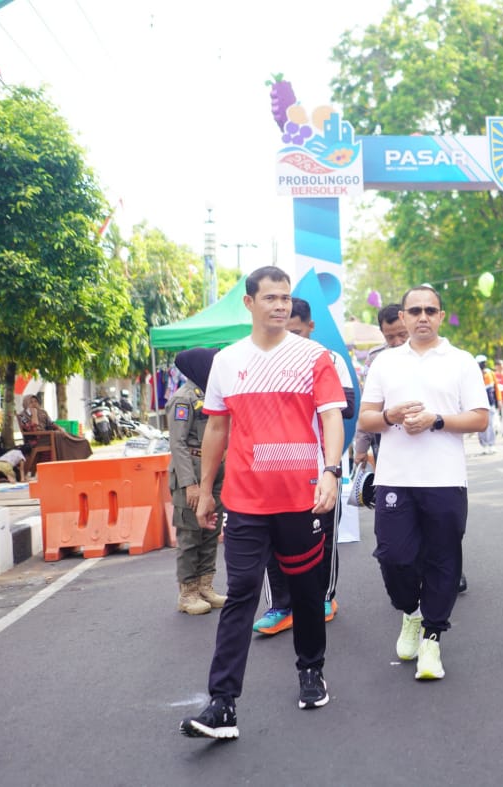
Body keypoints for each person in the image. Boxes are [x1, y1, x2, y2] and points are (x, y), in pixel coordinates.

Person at [180, 266, 346, 740]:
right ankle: (222, 703)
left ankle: (311, 670)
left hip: (302, 497)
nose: (280, 305)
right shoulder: (227, 361)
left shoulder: (314, 356)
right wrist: (206, 489)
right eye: (270, 297)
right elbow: (217, 428)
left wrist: (331, 471)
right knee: (242, 593)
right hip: (245, 501)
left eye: (285, 298)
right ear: (249, 303)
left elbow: (331, 418)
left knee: (307, 590)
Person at [357, 285, 488, 681]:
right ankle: (411, 612)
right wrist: (391, 416)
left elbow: (480, 418)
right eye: (415, 311)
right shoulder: (385, 363)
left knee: (442, 559)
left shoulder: (461, 361)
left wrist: (437, 420)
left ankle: (432, 637)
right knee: (394, 557)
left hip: (445, 479)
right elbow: (365, 418)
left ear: (441, 315)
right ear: (403, 317)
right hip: (394, 478)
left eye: (431, 310)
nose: (423, 317)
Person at [252, 296, 354, 635]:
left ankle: (324, 597)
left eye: (296, 331)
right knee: (272, 539)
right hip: (272, 466)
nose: (289, 336)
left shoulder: (328, 358)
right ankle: (281, 606)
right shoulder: (259, 357)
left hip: (320, 463)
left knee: (324, 533)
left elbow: (347, 406)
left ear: (310, 326)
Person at [168, 348, 228, 616]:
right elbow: (178, 444)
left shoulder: (212, 395)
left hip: (214, 472)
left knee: (211, 530)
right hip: (191, 471)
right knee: (191, 534)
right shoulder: (183, 399)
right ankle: (188, 592)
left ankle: (205, 586)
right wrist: (189, 484)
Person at [353, 303, 409, 469]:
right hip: (386, 437)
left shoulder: (429, 354)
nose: (397, 342)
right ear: (382, 332)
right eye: (390, 337)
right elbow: (367, 405)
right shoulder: (375, 358)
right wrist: (361, 447)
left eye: (402, 335)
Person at [17, 393, 93, 476]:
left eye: (35, 401)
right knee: (58, 436)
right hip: (35, 439)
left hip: (48, 436)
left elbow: (51, 424)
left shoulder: (43, 412)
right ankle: (63, 466)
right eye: (31, 402)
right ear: (26, 403)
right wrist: (34, 414)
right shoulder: (22, 416)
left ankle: (77, 450)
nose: (34, 404)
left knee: (64, 435)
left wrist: (60, 428)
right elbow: (32, 429)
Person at [475, 355, 498, 454]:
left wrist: (498, 401)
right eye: (481, 363)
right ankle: (484, 445)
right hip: (478, 404)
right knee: (480, 426)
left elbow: (495, 388)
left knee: (490, 424)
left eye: (484, 363)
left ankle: (491, 444)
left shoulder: (490, 374)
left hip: (490, 403)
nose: (483, 365)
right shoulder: (474, 375)